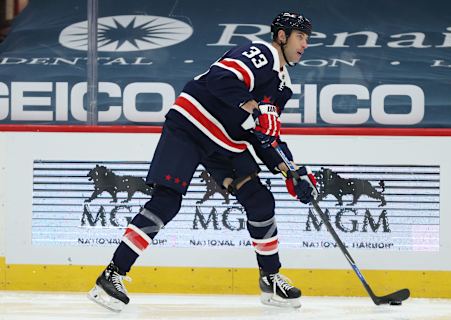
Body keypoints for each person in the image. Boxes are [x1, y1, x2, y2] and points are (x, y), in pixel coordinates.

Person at [88, 11, 317, 312]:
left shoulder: (283, 86)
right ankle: (112, 274)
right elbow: (220, 79)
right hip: (191, 125)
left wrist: (290, 170)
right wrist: (254, 106)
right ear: (282, 36)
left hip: (225, 142)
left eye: (307, 39)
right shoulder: (262, 54)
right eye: (300, 36)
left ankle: (270, 279)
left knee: (260, 201)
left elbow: (263, 135)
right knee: (166, 202)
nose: (304, 44)